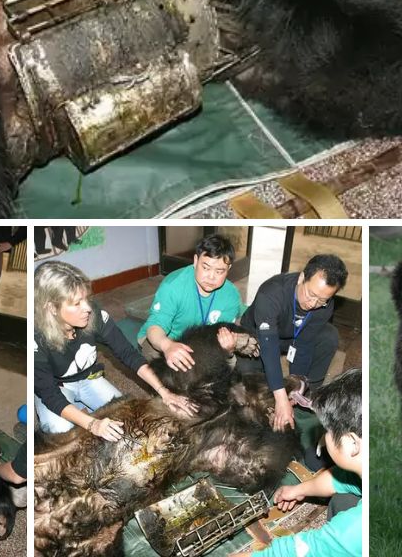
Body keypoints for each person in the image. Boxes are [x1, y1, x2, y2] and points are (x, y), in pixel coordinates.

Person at [33, 261, 197, 437]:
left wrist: (164, 392)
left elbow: (128, 354)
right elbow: (50, 394)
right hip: (58, 388)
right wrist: (93, 424)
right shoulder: (36, 338)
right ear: (51, 308)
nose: (87, 308)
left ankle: (80, 411)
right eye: (76, 303)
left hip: (89, 379)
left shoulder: (93, 314)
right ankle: (80, 413)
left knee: (126, 418)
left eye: (86, 299)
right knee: (62, 434)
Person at [236, 255, 347, 433]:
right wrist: (280, 397)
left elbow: (304, 344)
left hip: (292, 338)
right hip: (259, 337)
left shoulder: (324, 305)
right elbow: (268, 346)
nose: (313, 303)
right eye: (311, 294)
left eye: (322, 300)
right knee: (247, 377)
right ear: (302, 277)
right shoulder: (271, 292)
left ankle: (311, 395)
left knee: (329, 336)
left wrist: (297, 384)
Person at [260, 369, 362, 557]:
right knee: (343, 500)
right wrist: (299, 490)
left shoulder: (355, 530)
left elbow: (299, 550)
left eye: (328, 431)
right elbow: (344, 481)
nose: (324, 435)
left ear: (352, 442)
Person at [138, 233, 244, 368]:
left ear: (228, 269)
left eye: (219, 271)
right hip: (169, 338)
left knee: (229, 364)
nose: (211, 277)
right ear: (195, 261)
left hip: (203, 343)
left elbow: (222, 337)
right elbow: (155, 327)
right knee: (164, 363)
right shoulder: (173, 286)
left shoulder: (231, 295)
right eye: (205, 268)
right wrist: (168, 346)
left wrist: (228, 349)